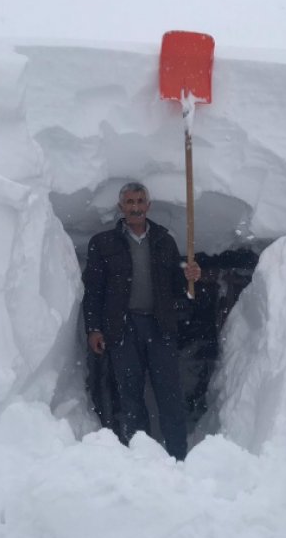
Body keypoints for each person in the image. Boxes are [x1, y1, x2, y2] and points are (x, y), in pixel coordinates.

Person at [82, 181, 200, 460]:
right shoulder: (103, 244)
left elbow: (177, 289)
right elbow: (94, 289)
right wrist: (94, 328)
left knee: (169, 395)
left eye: (140, 202)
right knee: (130, 396)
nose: (135, 207)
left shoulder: (163, 240)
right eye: (130, 202)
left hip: (159, 327)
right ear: (121, 207)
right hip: (122, 329)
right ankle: (143, 459)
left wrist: (189, 277)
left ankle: (177, 458)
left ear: (148, 206)